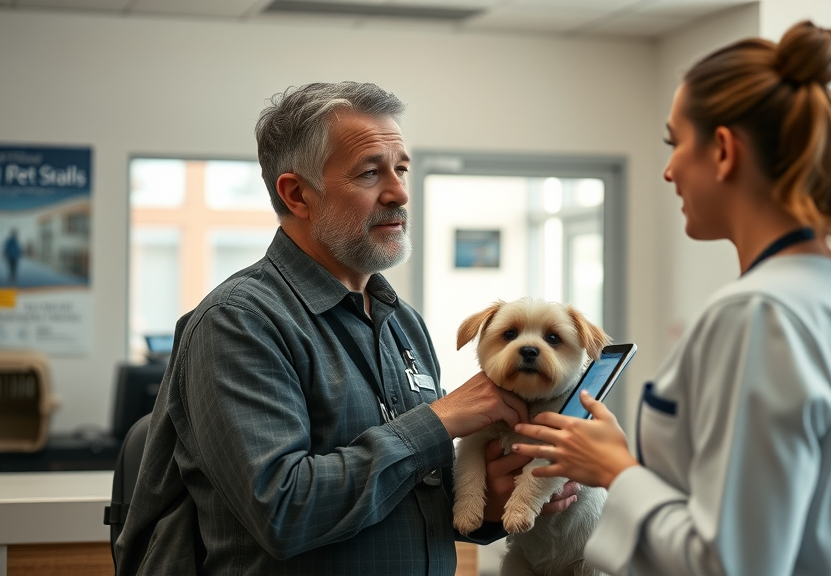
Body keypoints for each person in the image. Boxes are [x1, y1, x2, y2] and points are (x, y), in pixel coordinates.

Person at [116, 82, 576, 576]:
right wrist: (438, 420)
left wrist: (488, 502)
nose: (399, 192)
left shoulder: (403, 323)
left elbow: (416, 495)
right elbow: (283, 511)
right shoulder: (239, 322)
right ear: (297, 194)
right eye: (370, 172)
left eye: (401, 168)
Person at [512, 21, 831, 576]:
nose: (669, 170)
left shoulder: (758, 315)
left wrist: (620, 472)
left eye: (676, 143)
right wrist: (632, 461)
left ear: (722, 151)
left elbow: (731, 561)